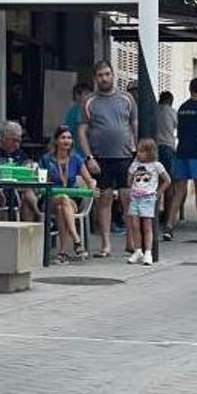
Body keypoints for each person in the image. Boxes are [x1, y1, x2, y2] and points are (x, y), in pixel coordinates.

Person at [78, 61, 138, 258]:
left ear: (113, 75)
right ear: (95, 78)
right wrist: (89, 157)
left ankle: (131, 241)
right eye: (100, 75)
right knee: (104, 200)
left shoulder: (126, 98)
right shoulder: (90, 101)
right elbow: (82, 130)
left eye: (107, 74)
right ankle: (105, 244)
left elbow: (134, 123)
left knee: (127, 198)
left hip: (124, 156)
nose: (104, 78)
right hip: (100, 158)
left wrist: (135, 150)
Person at [163, 78, 197, 242]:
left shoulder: (182, 108)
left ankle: (169, 226)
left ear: (190, 89)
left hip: (181, 153)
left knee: (179, 192)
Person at [39, 126, 97, 263]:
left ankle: (63, 253)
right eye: (63, 137)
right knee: (62, 202)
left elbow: (90, 180)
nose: (67, 141)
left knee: (63, 205)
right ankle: (76, 239)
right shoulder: (46, 160)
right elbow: (41, 181)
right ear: (56, 141)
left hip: (71, 202)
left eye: (69, 138)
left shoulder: (76, 159)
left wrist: (92, 189)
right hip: (50, 200)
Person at [0, 121, 40, 222]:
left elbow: (28, 167)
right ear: (3, 138)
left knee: (27, 197)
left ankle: (37, 220)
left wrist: (32, 166)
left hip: (17, 192)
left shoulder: (19, 153)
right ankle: (41, 215)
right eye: (13, 141)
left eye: (19, 141)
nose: (17, 145)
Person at [126, 139, 170, 266]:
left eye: (142, 151)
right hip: (135, 197)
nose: (139, 154)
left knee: (147, 226)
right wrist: (132, 169)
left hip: (148, 198)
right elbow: (129, 181)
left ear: (150, 152)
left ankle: (148, 252)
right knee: (135, 225)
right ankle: (138, 250)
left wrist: (159, 192)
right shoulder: (135, 165)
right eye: (138, 151)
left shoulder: (156, 165)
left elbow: (167, 180)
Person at [156, 91, 177, 222]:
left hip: (154, 149)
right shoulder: (172, 112)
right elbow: (177, 125)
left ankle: (155, 213)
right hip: (168, 148)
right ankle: (168, 214)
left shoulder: (154, 110)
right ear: (170, 101)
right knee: (168, 182)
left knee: (155, 183)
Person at [65, 84, 92, 155]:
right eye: (86, 94)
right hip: (81, 151)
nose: (89, 97)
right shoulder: (81, 110)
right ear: (77, 95)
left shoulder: (72, 110)